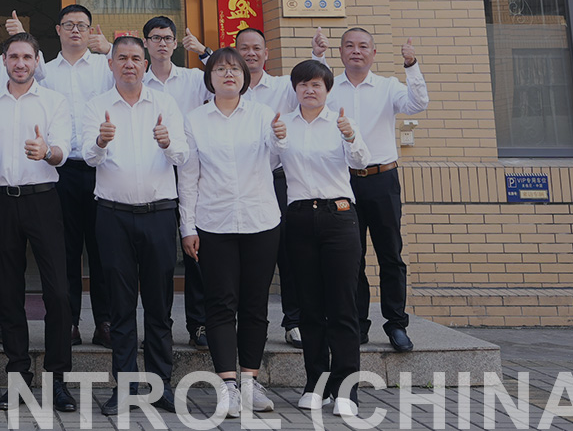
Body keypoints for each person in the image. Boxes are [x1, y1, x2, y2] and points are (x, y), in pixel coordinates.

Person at [83, 36, 190, 415]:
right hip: (113, 216)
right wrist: (101, 140)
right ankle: (125, 386)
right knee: (121, 306)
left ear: (145, 65)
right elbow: (88, 156)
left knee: (159, 306)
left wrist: (167, 143)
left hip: (159, 214)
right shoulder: (97, 106)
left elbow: (183, 154)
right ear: (110, 64)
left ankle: (161, 385)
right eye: (122, 58)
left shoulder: (165, 104)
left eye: (135, 58)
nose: (129, 64)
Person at [0, 33, 78, 412]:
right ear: (4, 60)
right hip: (1, 202)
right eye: (14, 57)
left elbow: (63, 151)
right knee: (7, 293)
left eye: (27, 57)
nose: (20, 63)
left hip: (43, 200)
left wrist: (46, 151)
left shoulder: (54, 101)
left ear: (37, 61)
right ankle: (18, 375)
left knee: (58, 293)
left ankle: (57, 379)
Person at [177, 48, 284, 417]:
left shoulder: (263, 115)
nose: (228, 74)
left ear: (245, 77)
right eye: (220, 69)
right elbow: (188, 177)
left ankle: (251, 382)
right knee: (220, 305)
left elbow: (277, 158)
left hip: (260, 221)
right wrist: (187, 226)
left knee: (255, 305)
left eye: (235, 69)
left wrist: (280, 138)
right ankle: (228, 386)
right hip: (214, 222)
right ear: (209, 77)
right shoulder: (195, 119)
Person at [324, 27, 427, 353]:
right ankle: (357, 325)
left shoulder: (388, 86)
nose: (356, 51)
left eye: (363, 46)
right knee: (350, 257)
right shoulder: (330, 89)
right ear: (341, 52)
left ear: (373, 53)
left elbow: (418, 104)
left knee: (390, 255)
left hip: (382, 180)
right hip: (343, 182)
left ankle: (396, 324)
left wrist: (411, 64)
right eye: (349, 46)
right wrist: (316, 56)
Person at [276, 59, 369, 419]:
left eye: (316, 84)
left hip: (339, 216)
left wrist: (350, 136)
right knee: (310, 307)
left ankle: (346, 388)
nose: (309, 90)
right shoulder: (283, 123)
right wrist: (276, 140)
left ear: (328, 90)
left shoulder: (341, 122)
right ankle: (317, 383)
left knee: (342, 306)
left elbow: (361, 161)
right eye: (303, 84)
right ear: (295, 89)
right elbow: (265, 162)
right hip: (300, 217)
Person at [41, 4, 114, 347]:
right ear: (58, 30)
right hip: (61, 169)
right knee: (66, 249)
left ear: (90, 31)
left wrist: (111, 49)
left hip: (102, 167)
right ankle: (69, 321)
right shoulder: (44, 71)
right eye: (68, 24)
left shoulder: (105, 67)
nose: (75, 30)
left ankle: (105, 321)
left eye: (81, 25)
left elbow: (136, 77)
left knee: (103, 249)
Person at [138, 15, 211, 350]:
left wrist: (204, 51)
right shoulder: (139, 81)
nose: (162, 44)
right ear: (146, 43)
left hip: (193, 171)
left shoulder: (194, 78)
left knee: (196, 246)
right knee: (161, 255)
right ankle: (158, 325)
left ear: (176, 43)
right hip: (154, 172)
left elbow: (231, 75)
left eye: (168, 38)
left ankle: (199, 323)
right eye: (155, 38)